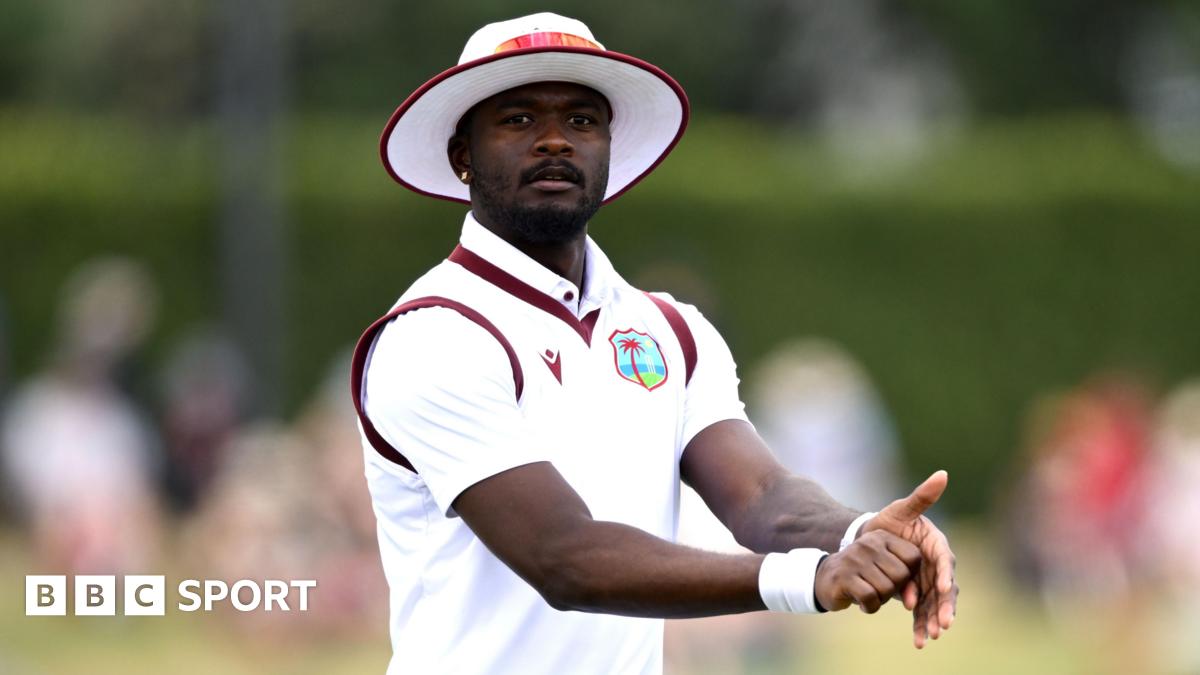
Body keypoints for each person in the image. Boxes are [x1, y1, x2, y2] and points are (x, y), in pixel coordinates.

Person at [351, 13, 957, 675]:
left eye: (582, 120)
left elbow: (760, 495)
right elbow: (564, 557)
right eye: (519, 119)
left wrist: (862, 531)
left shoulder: (674, 329)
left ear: (610, 147)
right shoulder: (436, 334)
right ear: (463, 155)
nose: (555, 141)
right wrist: (808, 579)